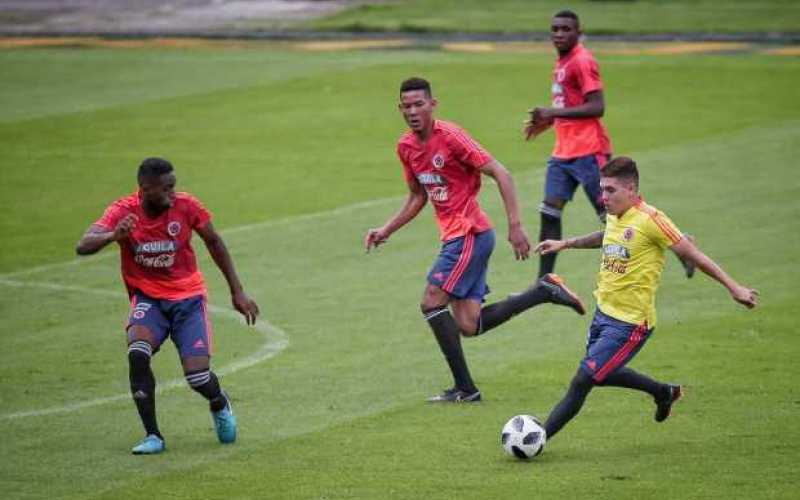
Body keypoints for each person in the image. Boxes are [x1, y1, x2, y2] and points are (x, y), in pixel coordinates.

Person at [364, 77, 586, 403]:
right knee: (468, 324)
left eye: (419, 104)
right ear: (400, 108)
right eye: (406, 106)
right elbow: (417, 196)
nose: (413, 111)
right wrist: (386, 229)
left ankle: (465, 389)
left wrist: (516, 226)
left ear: (432, 104)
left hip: (469, 234)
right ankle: (542, 292)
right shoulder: (406, 147)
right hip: (459, 237)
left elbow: (502, 173)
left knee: (431, 302)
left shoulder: (451, 137)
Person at [534, 156, 758, 442]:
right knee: (601, 373)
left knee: (584, 379)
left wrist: (734, 287)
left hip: (630, 323)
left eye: (610, 190)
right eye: (602, 189)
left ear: (631, 189)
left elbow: (693, 254)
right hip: (604, 313)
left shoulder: (652, 220)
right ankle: (663, 392)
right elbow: (606, 236)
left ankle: (537, 439)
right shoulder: (616, 214)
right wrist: (565, 243)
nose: (603, 197)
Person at [76, 157, 260, 455]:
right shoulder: (123, 212)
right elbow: (83, 245)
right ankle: (153, 436)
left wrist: (237, 292)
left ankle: (219, 401)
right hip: (148, 299)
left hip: (187, 299)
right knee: (137, 352)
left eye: (174, 186)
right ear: (145, 189)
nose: (173, 193)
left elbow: (214, 241)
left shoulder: (186, 206)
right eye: (167, 188)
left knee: (198, 377)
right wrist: (113, 236)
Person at [526, 9, 696, 279]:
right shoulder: (563, 62)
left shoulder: (582, 61)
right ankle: (543, 283)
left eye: (566, 29)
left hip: (589, 151)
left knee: (618, 216)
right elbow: (569, 104)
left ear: (578, 33)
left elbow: (597, 106)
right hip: (563, 152)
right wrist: (547, 121)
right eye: (555, 29)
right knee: (549, 210)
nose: (559, 34)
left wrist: (552, 113)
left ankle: (682, 246)